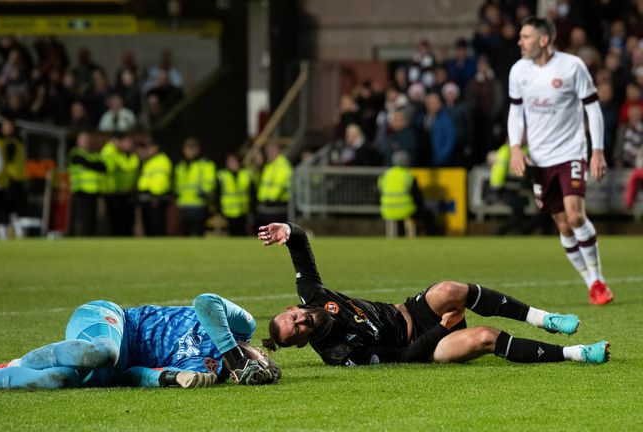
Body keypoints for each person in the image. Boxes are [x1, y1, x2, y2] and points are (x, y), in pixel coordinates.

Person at [257, 222, 610, 366]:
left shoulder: (312, 294)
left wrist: (287, 229)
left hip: (411, 310)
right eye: (297, 331)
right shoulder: (338, 352)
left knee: (450, 288)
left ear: (292, 307)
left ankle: (544, 319)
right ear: (302, 342)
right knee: (486, 337)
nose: (301, 321)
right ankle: (578, 353)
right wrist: (443, 327)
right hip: (427, 345)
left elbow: (301, 244)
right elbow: (405, 357)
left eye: (293, 317)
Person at [0, 293, 279, 391]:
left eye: (248, 373)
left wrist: (166, 378)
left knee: (57, 381)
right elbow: (205, 302)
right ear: (257, 352)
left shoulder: (206, 371)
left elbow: (133, 373)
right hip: (111, 321)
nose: (245, 367)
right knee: (105, 351)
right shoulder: (241, 326)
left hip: (113, 370)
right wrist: (234, 353)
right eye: (256, 363)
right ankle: (18, 362)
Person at [507, 17, 613, 305]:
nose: (520, 41)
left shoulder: (571, 66)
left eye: (525, 36)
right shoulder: (518, 71)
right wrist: (516, 147)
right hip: (540, 160)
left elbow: (592, 108)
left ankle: (599, 280)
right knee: (564, 225)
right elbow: (516, 112)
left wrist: (597, 151)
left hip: (570, 152)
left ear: (543, 40)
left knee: (576, 215)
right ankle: (591, 282)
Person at [174, 138, 216, 236]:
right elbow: (177, 184)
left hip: (199, 205)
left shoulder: (204, 164)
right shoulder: (180, 166)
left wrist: (204, 193)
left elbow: (210, 182)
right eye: (188, 148)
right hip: (183, 205)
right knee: (185, 233)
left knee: (199, 233)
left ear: (198, 150)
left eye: (192, 148)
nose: (189, 151)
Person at [101, 132, 140, 236]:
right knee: (116, 221)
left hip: (128, 192)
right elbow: (111, 168)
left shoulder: (129, 155)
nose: (128, 144)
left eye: (130, 142)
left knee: (128, 221)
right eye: (126, 142)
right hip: (114, 191)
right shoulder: (112, 152)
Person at [68, 131, 106, 237]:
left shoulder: (94, 154)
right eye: (83, 140)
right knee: (82, 217)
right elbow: (91, 164)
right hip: (81, 190)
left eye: (87, 140)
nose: (86, 142)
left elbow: (103, 167)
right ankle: (78, 237)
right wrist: (94, 165)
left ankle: (90, 237)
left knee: (92, 218)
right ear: (78, 141)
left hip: (94, 191)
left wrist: (94, 165)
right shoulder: (76, 154)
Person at [138, 141, 172, 236]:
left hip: (156, 197)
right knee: (148, 226)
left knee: (157, 225)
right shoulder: (149, 161)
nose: (147, 150)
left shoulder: (161, 160)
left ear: (156, 148)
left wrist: (156, 196)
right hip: (146, 197)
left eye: (150, 148)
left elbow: (161, 180)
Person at [255, 142, 292, 228]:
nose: (270, 153)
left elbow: (279, 184)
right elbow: (265, 185)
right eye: (268, 151)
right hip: (267, 203)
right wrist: (261, 198)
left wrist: (270, 199)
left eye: (272, 151)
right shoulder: (270, 165)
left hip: (276, 204)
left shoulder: (282, 165)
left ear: (278, 151)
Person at [217, 153, 253, 236]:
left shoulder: (246, 174)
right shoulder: (222, 175)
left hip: (243, 211)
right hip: (227, 212)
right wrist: (219, 210)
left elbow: (252, 194)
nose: (232, 163)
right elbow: (218, 194)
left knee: (243, 234)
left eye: (234, 161)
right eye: (230, 161)